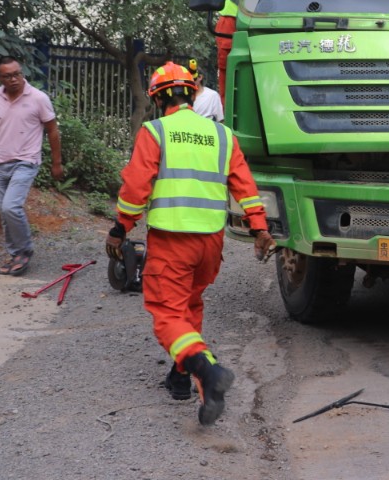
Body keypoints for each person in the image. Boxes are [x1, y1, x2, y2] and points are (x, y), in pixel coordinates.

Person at [105, 61, 274, 425]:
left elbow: (136, 190)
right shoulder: (223, 135)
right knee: (189, 305)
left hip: (172, 240)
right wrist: (259, 228)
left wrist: (120, 228)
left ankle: (208, 370)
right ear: (193, 93)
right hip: (210, 244)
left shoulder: (156, 132)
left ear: (158, 98)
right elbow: (245, 187)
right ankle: (184, 378)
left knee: (167, 312)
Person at [0, 57, 64, 276]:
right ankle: (15, 253)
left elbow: (53, 131)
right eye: (8, 76)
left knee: (11, 207)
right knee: (5, 212)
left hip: (26, 161)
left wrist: (57, 163)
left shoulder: (38, 98)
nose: (15, 79)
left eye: (17, 73)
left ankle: (24, 251)